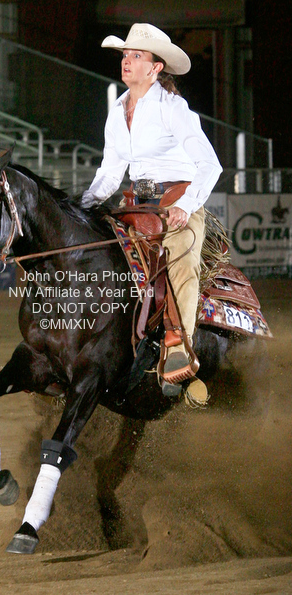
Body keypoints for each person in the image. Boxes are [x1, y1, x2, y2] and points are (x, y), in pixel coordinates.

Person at [81, 23, 223, 394]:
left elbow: (210, 165)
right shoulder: (118, 109)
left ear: (155, 68)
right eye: (125, 55)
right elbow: (110, 172)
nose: (126, 61)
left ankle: (179, 347)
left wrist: (187, 205)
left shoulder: (173, 108)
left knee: (181, 259)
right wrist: (83, 206)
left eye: (136, 56)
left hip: (177, 198)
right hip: (137, 202)